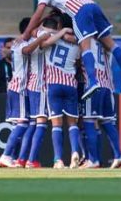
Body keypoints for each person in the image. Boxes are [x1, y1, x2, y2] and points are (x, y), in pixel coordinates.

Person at [20, 0, 121, 100]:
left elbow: (37, 15)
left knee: (85, 46)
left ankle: (93, 82)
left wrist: (25, 35)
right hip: (93, 5)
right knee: (111, 44)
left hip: (79, 11)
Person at [0, 19, 52, 168]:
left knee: (26, 123)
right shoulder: (22, 43)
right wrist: (41, 38)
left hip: (22, 87)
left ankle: (17, 158)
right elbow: (27, 50)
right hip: (19, 88)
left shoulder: (20, 41)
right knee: (22, 123)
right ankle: (6, 155)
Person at [39, 15, 81, 169]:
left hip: (54, 84)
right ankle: (75, 152)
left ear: (60, 25)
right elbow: (78, 61)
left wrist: (60, 32)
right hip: (70, 84)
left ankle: (58, 160)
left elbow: (43, 43)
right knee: (72, 123)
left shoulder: (52, 37)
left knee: (56, 123)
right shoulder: (77, 43)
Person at [81, 38, 121, 169]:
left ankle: (93, 159)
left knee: (89, 121)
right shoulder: (105, 41)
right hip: (108, 87)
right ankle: (119, 155)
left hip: (93, 86)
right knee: (107, 123)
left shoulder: (85, 40)